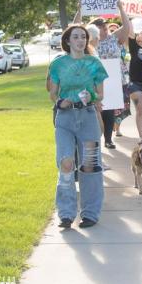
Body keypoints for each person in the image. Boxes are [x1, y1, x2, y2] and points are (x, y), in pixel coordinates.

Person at [49, 24, 108, 229]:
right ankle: (66, 213)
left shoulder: (94, 64)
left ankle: (90, 213)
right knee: (66, 163)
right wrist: (59, 102)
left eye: (83, 37)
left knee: (89, 166)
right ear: (67, 41)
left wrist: (91, 95)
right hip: (65, 119)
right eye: (75, 37)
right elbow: (52, 93)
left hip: (88, 117)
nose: (80, 40)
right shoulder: (58, 65)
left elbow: (100, 95)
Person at [91, 0, 130, 149]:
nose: (105, 29)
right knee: (97, 109)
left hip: (113, 79)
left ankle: (108, 139)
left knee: (109, 110)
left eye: (105, 26)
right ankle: (96, 139)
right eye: (101, 27)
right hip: (96, 80)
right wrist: (79, 11)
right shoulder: (91, 42)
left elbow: (127, 28)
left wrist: (121, 8)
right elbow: (76, 27)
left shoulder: (114, 38)